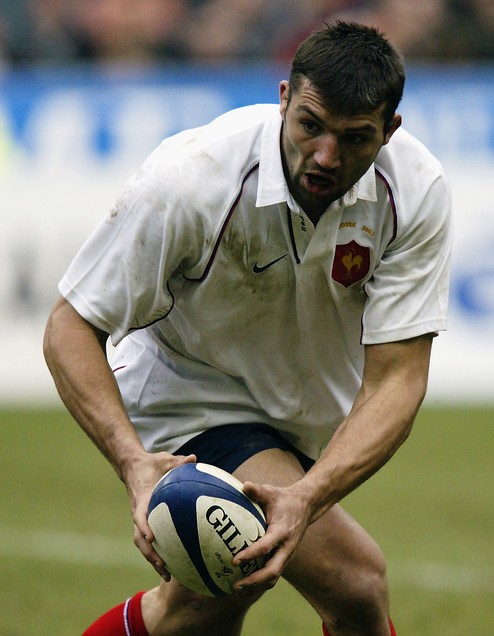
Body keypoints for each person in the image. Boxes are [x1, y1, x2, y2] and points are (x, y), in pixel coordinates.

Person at [44, 21, 452, 636]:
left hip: (302, 415)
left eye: (355, 137)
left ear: (390, 131)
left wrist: (308, 494)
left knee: (200, 609)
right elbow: (70, 325)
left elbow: (397, 379)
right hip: (191, 397)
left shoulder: (416, 193)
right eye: (310, 125)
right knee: (357, 584)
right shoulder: (192, 178)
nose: (325, 156)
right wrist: (131, 461)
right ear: (284, 98)